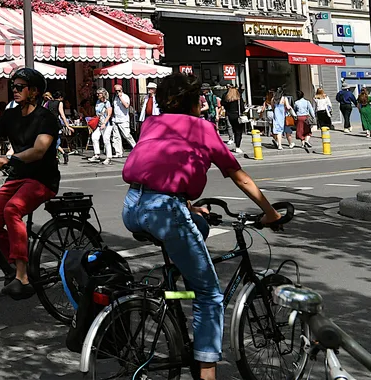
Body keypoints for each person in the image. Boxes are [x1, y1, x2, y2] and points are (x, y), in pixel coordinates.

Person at [121, 72, 283, 380]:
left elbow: (159, 169)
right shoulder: (203, 128)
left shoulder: (151, 124)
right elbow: (239, 176)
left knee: (197, 224)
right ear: (195, 102)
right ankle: (207, 375)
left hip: (134, 206)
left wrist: (189, 206)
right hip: (166, 210)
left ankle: (174, 281)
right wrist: (269, 211)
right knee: (209, 296)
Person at [0, 67, 61, 300]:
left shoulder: (46, 118)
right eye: (13, 87)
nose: (15, 91)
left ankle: (22, 276)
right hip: (18, 177)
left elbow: (39, 151)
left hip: (42, 178)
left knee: (12, 209)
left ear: (34, 92)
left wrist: (9, 158)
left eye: (20, 87)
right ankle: (17, 264)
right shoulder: (10, 116)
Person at [88, 88, 114, 165]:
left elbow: (109, 114)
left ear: (103, 94)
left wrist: (104, 123)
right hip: (99, 123)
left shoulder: (107, 103)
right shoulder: (98, 102)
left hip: (107, 124)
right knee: (94, 137)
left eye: (99, 94)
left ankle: (109, 157)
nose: (97, 95)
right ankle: (97, 154)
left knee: (106, 140)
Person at [110, 83, 136, 156]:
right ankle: (118, 152)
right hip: (115, 119)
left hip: (123, 119)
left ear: (121, 90)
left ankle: (135, 147)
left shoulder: (125, 97)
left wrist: (121, 98)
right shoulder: (114, 98)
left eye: (118, 90)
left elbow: (127, 106)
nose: (117, 92)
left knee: (127, 135)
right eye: (116, 91)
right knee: (116, 137)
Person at [222, 82, 245, 153]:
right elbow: (242, 108)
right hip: (237, 115)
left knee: (233, 129)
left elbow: (223, 104)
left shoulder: (226, 97)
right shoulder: (238, 97)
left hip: (230, 115)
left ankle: (233, 141)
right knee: (238, 131)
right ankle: (237, 146)